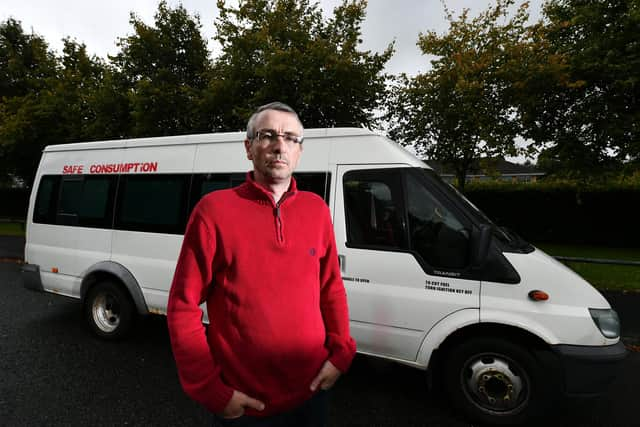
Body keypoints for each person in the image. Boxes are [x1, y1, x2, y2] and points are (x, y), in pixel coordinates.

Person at [167, 101, 356, 426]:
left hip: (313, 396)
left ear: (299, 151)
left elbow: (331, 289)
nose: (280, 145)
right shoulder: (213, 211)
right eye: (267, 135)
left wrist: (341, 354)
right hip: (246, 408)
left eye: (291, 138)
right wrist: (212, 391)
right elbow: (182, 308)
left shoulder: (317, 209)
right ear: (248, 147)